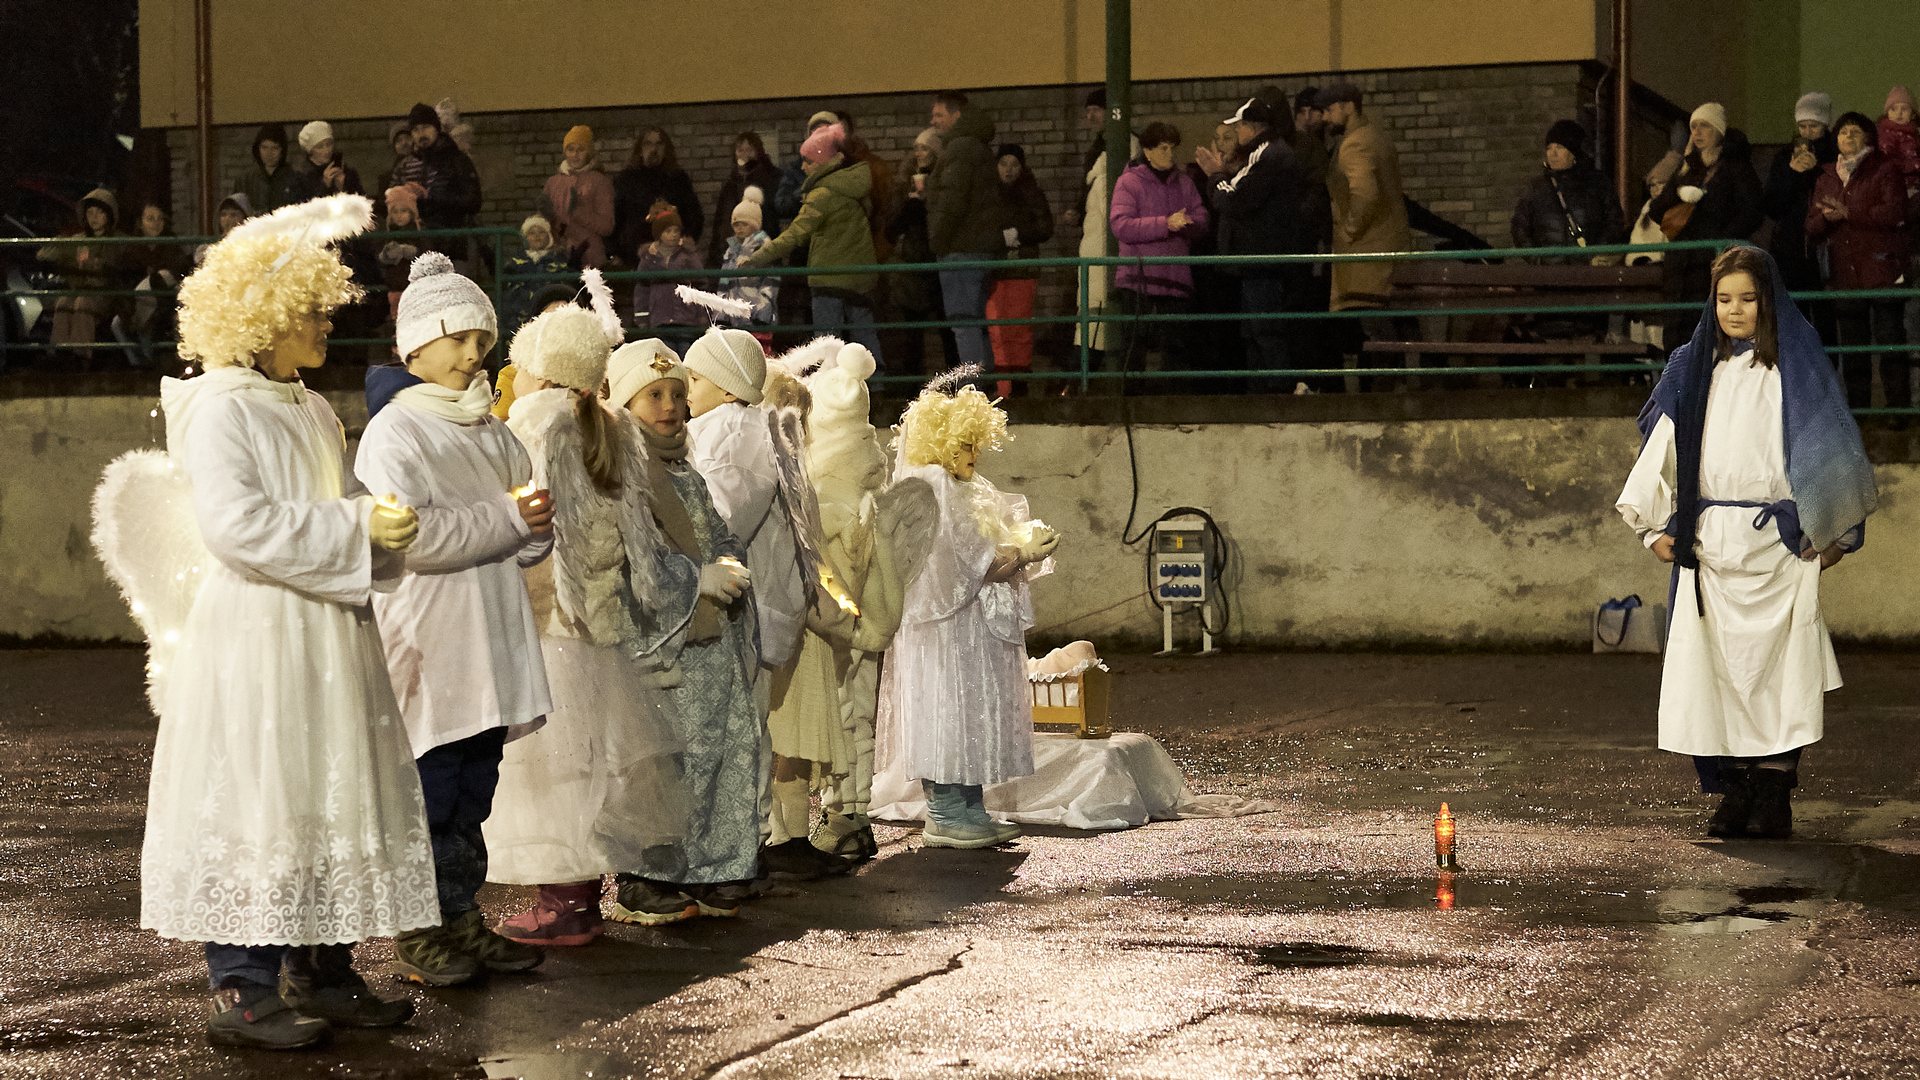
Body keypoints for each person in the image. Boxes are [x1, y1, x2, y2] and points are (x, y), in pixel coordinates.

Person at [114, 193, 432, 1049]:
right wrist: (356, 530)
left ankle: (321, 966)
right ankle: (243, 984)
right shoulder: (223, 408)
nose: (327, 321)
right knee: (262, 791)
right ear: (260, 317)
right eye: (310, 309)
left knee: (326, 787)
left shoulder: (310, 405)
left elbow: (338, 500)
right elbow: (237, 527)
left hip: (325, 630)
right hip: (260, 633)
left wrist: (379, 525)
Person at [1616, 244, 1875, 840]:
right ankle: (1736, 791)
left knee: (1779, 672)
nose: (1734, 310)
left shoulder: (1797, 367)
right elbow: (1661, 446)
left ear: (1770, 301)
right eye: (1724, 299)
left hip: (1779, 548)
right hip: (1710, 547)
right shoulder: (1693, 368)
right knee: (1718, 671)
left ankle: (1774, 793)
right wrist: (1652, 528)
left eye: (1748, 298)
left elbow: (1832, 451)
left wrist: (1834, 536)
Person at [355, 253, 553, 985]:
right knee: (429, 795)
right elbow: (415, 540)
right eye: (458, 338)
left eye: (482, 340)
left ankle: (460, 916)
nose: (474, 355)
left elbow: (527, 537)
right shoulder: (395, 432)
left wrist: (535, 527)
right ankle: (418, 930)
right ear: (414, 346)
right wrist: (511, 520)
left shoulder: (491, 429)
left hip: (490, 637)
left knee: (473, 793)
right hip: (433, 640)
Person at [486, 304, 708, 940]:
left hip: (548, 623)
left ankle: (566, 902)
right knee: (600, 764)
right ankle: (595, 891)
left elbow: (522, 525)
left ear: (539, 369)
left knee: (552, 772)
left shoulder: (532, 426)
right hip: (603, 628)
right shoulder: (610, 429)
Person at [604, 339, 783, 909]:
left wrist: (728, 561)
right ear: (625, 403)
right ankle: (648, 873)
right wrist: (696, 578)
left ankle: (713, 865)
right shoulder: (621, 473)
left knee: (720, 753)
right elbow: (628, 559)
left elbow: (720, 532)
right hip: (662, 647)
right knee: (665, 760)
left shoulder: (684, 469)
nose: (669, 406)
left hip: (711, 645)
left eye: (677, 394)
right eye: (652, 394)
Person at [877, 379, 1059, 848]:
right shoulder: (932, 485)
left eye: (977, 443)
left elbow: (982, 543)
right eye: (964, 444)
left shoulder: (967, 486)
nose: (974, 453)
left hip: (966, 622)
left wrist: (1019, 544)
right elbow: (956, 559)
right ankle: (945, 813)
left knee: (969, 709)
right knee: (948, 706)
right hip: (943, 626)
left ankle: (968, 806)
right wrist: (1020, 553)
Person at [684, 327, 813, 899]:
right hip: (748, 604)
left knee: (735, 730)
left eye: (694, 379)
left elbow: (719, 518)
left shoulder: (734, 434)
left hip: (742, 607)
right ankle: (739, 845)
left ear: (728, 385)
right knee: (740, 728)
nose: (686, 391)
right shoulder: (746, 430)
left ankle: (738, 849)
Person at [738, 124, 883, 362]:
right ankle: (875, 380)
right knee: (865, 340)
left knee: (827, 345)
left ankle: (829, 382)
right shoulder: (854, 185)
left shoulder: (823, 194)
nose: (803, 167)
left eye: (808, 161)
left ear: (822, 161)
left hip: (829, 278)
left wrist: (755, 259)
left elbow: (795, 234)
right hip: (859, 276)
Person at [1197, 96, 1308, 387]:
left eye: (1239, 127)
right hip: (1261, 261)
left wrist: (1215, 176)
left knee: (1265, 332)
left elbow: (1235, 201)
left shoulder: (1266, 154)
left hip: (1261, 260)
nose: (1237, 133)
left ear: (1253, 126)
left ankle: (1276, 394)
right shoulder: (1272, 153)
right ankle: (1264, 394)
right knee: (1257, 333)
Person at [1806, 112, 1911, 411]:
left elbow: (1894, 213)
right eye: (1842, 132)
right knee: (1853, 347)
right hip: (1844, 272)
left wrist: (1849, 212)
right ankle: (1859, 409)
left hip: (1882, 268)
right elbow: (1811, 225)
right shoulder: (1826, 176)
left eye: (1854, 131)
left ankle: (1898, 410)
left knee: (1891, 343)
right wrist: (1825, 219)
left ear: (1868, 137)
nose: (1847, 136)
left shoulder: (1885, 169)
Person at [1647, 103, 1765, 349]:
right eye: (1694, 127)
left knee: (1709, 329)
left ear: (1719, 130)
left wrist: (1720, 239)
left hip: (1714, 262)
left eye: (1704, 126)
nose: (1697, 132)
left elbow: (1753, 212)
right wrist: (1678, 193)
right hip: (1680, 264)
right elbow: (1656, 210)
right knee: (1677, 332)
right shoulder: (1687, 167)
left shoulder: (1736, 167)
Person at [1107, 123, 1208, 387]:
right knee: (1134, 345)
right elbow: (1121, 225)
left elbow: (1201, 217)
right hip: (1139, 278)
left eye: (1172, 148)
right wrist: (1166, 224)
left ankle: (1171, 399)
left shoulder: (1183, 182)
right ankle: (1132, 399)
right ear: (1148, 151)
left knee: (1176, 346)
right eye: (1163, 148)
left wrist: (1191, 223)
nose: (1170, 154)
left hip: (1174, 278)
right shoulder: (1129, 182)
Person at [1318, 84, 1411, 348]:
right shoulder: (1376, 137)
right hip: (1387, 249)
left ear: (1348, 107)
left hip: (1366, 256)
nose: (1325, 117)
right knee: (1385, 331)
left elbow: (1366, 195)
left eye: (1329, 110)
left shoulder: (1354, 145)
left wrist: (1349, 230)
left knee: (1375, 332)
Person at [926, 91, 1006, 371]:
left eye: (939, 115)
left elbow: (952, 202)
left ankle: (972, 386)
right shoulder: (977, 146)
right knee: (976, 322)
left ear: (956, 114)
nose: (934, 121)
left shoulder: (959, 149)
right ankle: (985, 383)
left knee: (963, 322)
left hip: (960, 249)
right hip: (980, 248)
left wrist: (937, 241)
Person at [884, 128, 958, 376]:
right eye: (917, 148)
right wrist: (910, 205)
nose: (919, 153)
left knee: (949, 331)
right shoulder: (905, 180)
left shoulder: (946, 180)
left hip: (940, 263)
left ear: (936, 152)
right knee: (912, 335)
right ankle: (912, 386)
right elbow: (891, 227)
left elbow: (949, 221)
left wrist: (930, 202)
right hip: (913, 266)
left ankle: (956, 384)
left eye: (925, 148)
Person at [986, 143, 1053, 396]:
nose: (1009, 169)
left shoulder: (1031, 192)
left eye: (1014, 164)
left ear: (1022, 167)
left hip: (1021, 270)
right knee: (998, 331)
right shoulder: (989, 193)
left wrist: (1019, 234)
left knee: (1019, 329)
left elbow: (1045, 227)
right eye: (1004, 163)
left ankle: (1018, 385)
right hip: (997, 271)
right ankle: (1004, 387)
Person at [1763, 93, 1840, 303]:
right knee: (1793, 305)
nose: (1807, 132)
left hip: (1824, 243)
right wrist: (1793, 173)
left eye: (1813, 126)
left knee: (1825, 308)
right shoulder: (1784, 157)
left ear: (1825, 125)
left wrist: (1815, 169)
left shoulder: (1834, 154)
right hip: (1790, 245)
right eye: (1802, 126)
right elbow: (1772, 205)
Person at [1510, 120, 1628, 255]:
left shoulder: (1597, 184)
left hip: (1588, 265)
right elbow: (1519, 228)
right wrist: (1538, 260)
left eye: (1560, 147)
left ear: (1574, 152)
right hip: (1550, 266)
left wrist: (1597, 254)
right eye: (1549, 148)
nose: (1553, 154)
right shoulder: (1536, 188)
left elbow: (1614, 223)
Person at [37, 187, 125, 362]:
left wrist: (93, 262)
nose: (94, 217)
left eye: (99, 212)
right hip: (79, 290)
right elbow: (43, 254)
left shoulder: (117, 240)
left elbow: (114, 266)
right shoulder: (78, 239)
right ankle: (59, 352)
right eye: (90, 212)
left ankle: (80, 355)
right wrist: (61, 248)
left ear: (109, 215)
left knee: (83, 303)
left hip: (105, 294)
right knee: (63, 301)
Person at [613, 126, 704, 269]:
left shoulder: (678, 179)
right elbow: (617, 218)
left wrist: (687, 239)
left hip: (673, 256)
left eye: (659, 144)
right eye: (648, 144)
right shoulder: (626, 180)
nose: (653, 149)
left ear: (666, 149)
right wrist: (620, 252)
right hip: (636, 256)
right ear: (640, 149)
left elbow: (693, 214)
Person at [120, 201, 193, 366]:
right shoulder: (131, 250)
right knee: (117, 323)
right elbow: (126, 281)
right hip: (137, 302)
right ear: (141, 223)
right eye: (150, 219)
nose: (156, 223)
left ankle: (149, 362)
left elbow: (178, 273)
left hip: (164, 302)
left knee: (150, 319)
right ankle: (137, 363)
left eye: (160, 219)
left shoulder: (171, 246)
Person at [540, 126, 616, 269]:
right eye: (570, 149)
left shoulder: (599, 181)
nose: (575, 155)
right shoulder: (553, 182)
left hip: (590, 257)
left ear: (589, 152)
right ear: (565, 152)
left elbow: (607, 226)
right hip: (558, 257)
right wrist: (545, 216)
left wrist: (577, 212)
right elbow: (542, 225)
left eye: (581, 149)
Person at [632, 208, 706, 351]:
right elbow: (642, 290)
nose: (673, 235)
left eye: (676, 231)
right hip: (660, 318)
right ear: (659, 234)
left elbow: (700, 285)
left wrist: (702, 314)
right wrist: (642, 317)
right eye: (668, 231)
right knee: (665, 355)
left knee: (686, 354)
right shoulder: (648, 259)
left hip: (686, 317)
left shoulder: (689, 256)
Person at [707, 132, 783, 267]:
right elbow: (722, 219)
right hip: (734, 247)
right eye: (740, 150)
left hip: (761, 245)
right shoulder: (731, 184)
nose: (745, 155)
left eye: (749, 150)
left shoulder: (770, 178)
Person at [406, 102, 484, 233]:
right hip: (414, 238)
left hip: (450, 235)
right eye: (415, 130)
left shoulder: (457, 160)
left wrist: (437, 201)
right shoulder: (406, 164)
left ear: (437, 128)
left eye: (425, 127)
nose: (421, 133)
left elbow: (473, 201)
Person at [719, 193, 777, 341]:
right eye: (736, 224)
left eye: (744, 224)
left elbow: (770, 281)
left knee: (759, 349)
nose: (739, 228)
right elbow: (724, 280)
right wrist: (721, 312)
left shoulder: (763, 250)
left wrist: (762, 311)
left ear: (755, 225)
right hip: (735, 315)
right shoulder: (730, 251)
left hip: (756, 316)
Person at [503, 215, 572, 338]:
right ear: (525, 237)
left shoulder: (558, 260)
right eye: (531, 233)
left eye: (541, 232)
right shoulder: (515, 262)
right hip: (522, 314)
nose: (537, 236)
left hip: (549, 311)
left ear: (548, 236)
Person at [284, 122, 365, 205]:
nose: (327, 150)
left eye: (329, 144)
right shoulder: (300, 177)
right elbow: (300, 206)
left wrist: (341, 188)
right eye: (320, 147)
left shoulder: (347, 172)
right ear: (310, 150)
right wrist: (324, 186)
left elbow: (361, 203)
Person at [237, 123, 295, 213]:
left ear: (282, 150)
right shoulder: (246, 179)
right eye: (264, 147)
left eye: (275, 148)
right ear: (258, 149)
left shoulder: (293, 179)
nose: (269, 153)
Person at [1876, 87, 1920, 196]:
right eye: (1894, 109)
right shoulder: (1885, 135)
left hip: (1914, 185)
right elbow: (1887, 162)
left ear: (1912, 113)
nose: (1899, 113)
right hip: (1895, 188)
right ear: (1887, 113)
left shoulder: (1914, 134)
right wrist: (1914, 165)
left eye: (1904, 109)